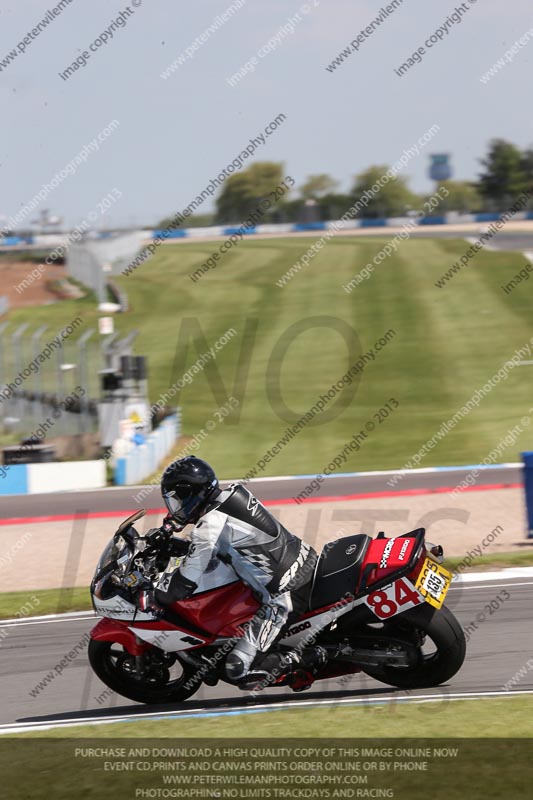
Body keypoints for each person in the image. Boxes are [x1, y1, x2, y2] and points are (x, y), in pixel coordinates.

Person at [149, 456, 326, 689]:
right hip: (305, 562)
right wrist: (174, 544)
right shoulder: (234, 494)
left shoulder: (208, 526)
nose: (175, 508)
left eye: (177, 501)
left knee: (239, 669)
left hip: (286, 595)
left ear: (192, 495)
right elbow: (225, 544)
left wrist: (153, 596)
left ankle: (313, 657)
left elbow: (184, 583)